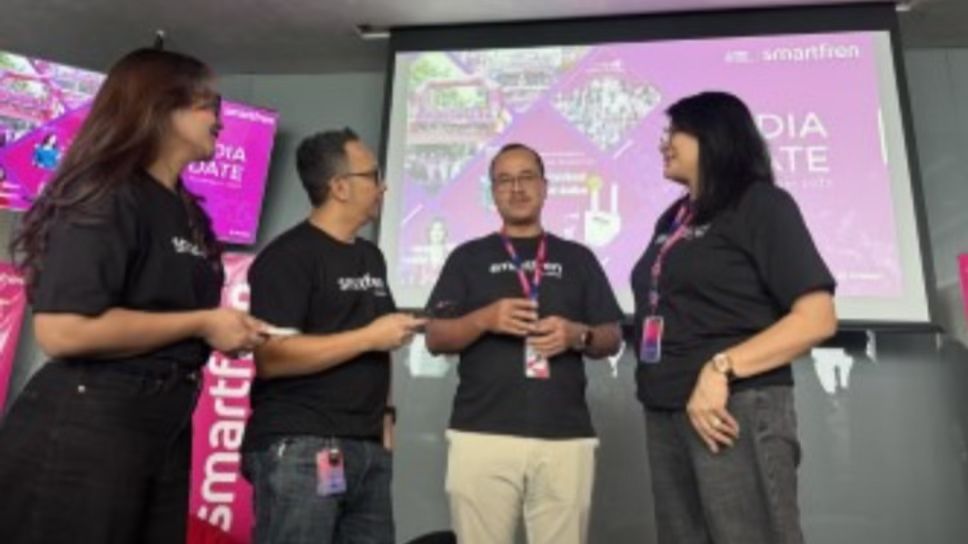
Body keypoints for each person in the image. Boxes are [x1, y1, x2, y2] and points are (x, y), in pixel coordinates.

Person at [0, 48, 267, 544]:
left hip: (162, 428)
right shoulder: (108, 193)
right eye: (209, 105)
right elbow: (62, 331)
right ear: (160, 108)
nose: (220, 121)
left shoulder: (185, 211)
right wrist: (201, 323)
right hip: (87, 429)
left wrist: (218, 329)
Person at [630, 91, 837, 544]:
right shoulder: (673, 218)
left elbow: (817, 318)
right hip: (666, 409)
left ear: (712, 136)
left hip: (732, 407)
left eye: (675, 131)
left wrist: (720, 369)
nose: (664, 143)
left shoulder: (761, 204)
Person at [425, 143, 624, 544]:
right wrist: (484, 319)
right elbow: (435, 337)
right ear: (493, 192)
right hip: (481, 432)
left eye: (526, 177)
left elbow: (612, 335)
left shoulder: (578, 258)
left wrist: (577, 335)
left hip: (565, 436)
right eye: (504, 180)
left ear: (545, 187)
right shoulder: (467, 257)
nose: (516, 188)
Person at [241, 128, 425, 544]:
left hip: (367, 447)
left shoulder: (370, 256)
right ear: (340, 187)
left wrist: (387, 416)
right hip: (303, 446)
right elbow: (272, 357)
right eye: (373, 175)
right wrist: (367, 337)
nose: (383, 186)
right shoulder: (287, 257)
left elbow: (382, 340)